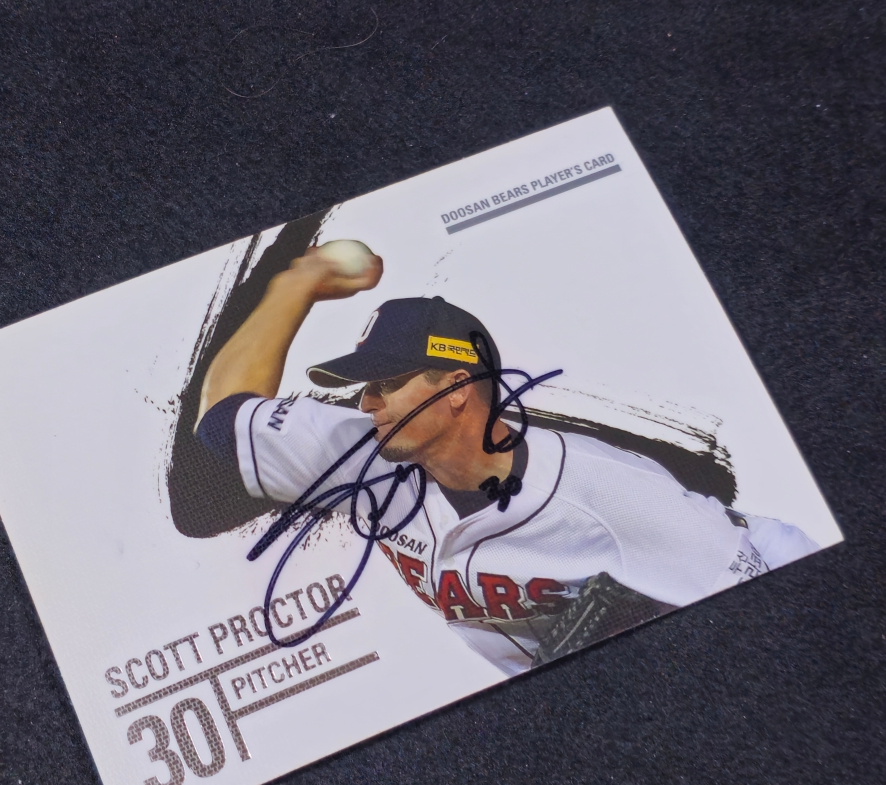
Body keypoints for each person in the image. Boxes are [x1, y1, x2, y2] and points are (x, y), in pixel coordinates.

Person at [193, 244, 818, 676]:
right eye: (365, 386)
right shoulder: (363, 452)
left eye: (387, 382)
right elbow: (222, 416)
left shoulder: (605, 490)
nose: (366, 401)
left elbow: (771, 616)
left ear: (455, 387)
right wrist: (297, 284)